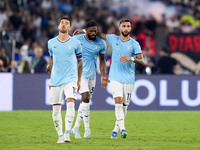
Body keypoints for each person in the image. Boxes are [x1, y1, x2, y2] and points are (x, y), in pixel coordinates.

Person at [74, 18, 145, 139]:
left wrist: (131, 59)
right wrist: (83, 30)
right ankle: (123, 129)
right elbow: (98, 33)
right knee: (117, 102)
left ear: (130, 28)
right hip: (115, 77)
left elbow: (142, 60)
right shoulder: (113, 38)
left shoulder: (134, 44)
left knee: (124, 107)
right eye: (124, 26)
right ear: (120, 28)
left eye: (128, 26)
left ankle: (115, 130)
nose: (126, 28)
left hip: (128, 79)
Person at [46, 16, 83, 143]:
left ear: (69, 27)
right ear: (58, 26)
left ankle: (67, 133)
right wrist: (49, 67)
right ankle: (60, 135)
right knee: (56, 110)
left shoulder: (76, 43)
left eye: (66, 23)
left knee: (71, 103)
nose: (63, 24)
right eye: (62, 22)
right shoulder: (51, 43)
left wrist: (78, 80)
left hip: (70, 79)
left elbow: (80, 62)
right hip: (56, 80)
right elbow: (52, 58)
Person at [71, 20, 107, 139]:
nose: (93, 33)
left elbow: (102, 60)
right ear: (86, 30)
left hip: (92, 74)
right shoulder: (77, 39)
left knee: (84, 103)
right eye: (90, 30)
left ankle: (75, 128)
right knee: (85, 97)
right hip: (79, 74)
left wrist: (102, 76)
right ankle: (87, 129)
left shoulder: (101, 43)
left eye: (95, 31)